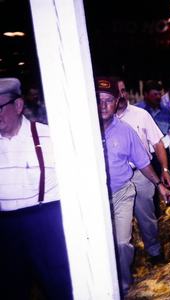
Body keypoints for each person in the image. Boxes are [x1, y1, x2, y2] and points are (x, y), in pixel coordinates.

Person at [95, 77, 170, 296]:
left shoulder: (128, 128)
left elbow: (143, 161)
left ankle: (124, 286)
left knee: (123, 242)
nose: (103, 105)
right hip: (94, 196)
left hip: (122, 190)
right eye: (98, 99)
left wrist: (160, 182)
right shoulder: (82, 131)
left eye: (108, 100)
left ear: (117, 100)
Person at [0, 77, 73, 299]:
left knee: (58, 285)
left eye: (0, 107)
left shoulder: (48, 136)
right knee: (10, 288)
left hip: (44, 223)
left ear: (19, 105)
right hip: (5, 227)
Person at [115, 77, 170, 265]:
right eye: (118, 92)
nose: (121, 95)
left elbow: (158, 143)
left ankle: (154, 252)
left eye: (124, 91)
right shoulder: (103, 119)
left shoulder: (141, 115)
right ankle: (122, 262)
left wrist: (165, 169)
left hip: (141, 173)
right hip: (117, 178)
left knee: (146, 215)